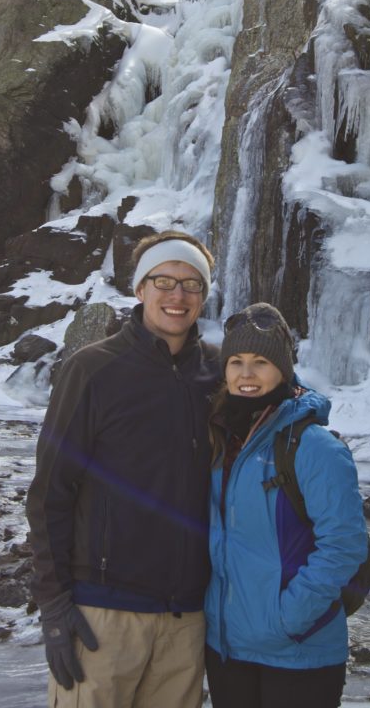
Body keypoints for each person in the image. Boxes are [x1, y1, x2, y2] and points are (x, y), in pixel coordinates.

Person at [26, 230, 220, 708]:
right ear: (139, 289)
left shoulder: (220, 374)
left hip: (188, 619)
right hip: (102, 615)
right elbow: (50, 492)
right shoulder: (93, 369)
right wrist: (54, 607)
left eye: (192, 284)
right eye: (164, 281)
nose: (178, 295)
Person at [204, 303, 369, 708]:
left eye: (260, 361)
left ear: (283, 368)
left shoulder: (315, 446)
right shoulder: (221, 439)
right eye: (236, 361)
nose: (246, 374)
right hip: (227, 648)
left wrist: (287, 621)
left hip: (298, 653)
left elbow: (345, 545)